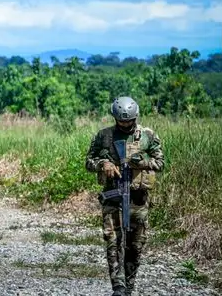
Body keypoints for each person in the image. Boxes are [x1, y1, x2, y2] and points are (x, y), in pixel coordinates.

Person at [85, 96, 164, 296]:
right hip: (112, 198)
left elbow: (160, 163)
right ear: (114, 117)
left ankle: (129, 287)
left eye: (129, 121)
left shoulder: (147, 135)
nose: (125, 124)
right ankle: (118, 288)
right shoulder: (103, 136)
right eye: (121, 121)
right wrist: (103, 164)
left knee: (135, 246)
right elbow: (88, 161)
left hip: (138, 199)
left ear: (135, 117)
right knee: (113, 242)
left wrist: (143, 161)